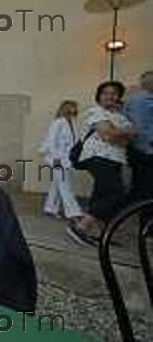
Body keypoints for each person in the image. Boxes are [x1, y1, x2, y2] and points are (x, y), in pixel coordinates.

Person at [67, 81, 136, 245]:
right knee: (115, 193)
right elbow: (108, 135)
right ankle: (81, 226)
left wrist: (117, 133)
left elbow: (128, 138)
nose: (110, 96)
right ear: (99, 96)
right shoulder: (95, 112)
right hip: (98, 157)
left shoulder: (121, 117)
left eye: (114, 93)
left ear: (119, 97)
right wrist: (122, 132)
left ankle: (101, 234)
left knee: (101, 193)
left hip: (116, 159)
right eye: (105, 93)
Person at [39, 100, 82, 220]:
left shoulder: (73, 123)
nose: (74, 110)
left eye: (75, 107)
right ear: (65, 108)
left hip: (67, 159)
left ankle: (50, 208)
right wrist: (56, 159)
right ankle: (74, 212)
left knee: (57, 184)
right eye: (71, 107)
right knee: (65, 185)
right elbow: (52, 142)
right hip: (57, 158)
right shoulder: (58, 122)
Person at [125, 71, 153, 205]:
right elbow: (142, 128)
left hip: (135, 150)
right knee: (146, 190)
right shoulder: (145, 100)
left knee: (139, 186)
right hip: (146, 151)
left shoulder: (132, 99)